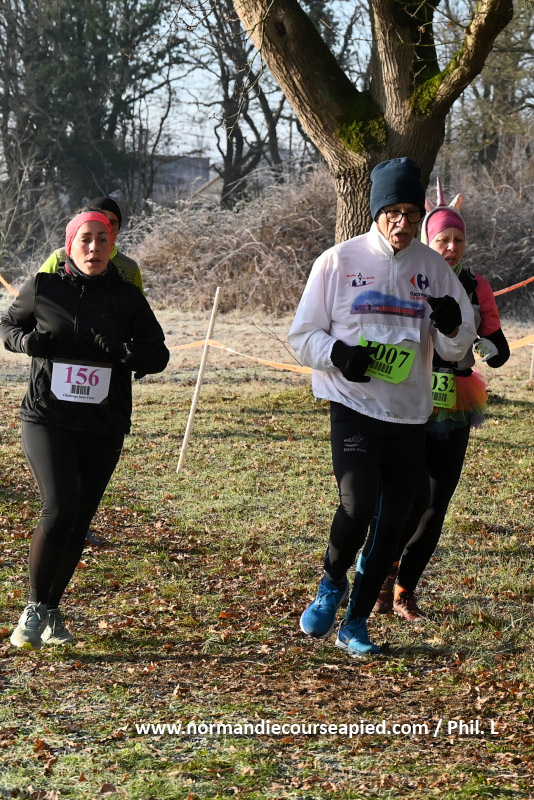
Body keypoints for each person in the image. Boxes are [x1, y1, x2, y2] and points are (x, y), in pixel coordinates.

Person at [288, 157, 477, 657]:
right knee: (358, 503)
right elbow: (302, 335)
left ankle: (355, 623)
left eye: (412, 214)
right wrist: (339, 355)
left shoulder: (434, 269)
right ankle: (332, 582)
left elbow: (458, 346)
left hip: (409, 413)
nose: (402, 223)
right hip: (352, 403)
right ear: (376, 213)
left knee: (392, 524)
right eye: (393, 212)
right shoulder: (338, 261)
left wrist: (452, 326)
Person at [1, 211, 169, 649]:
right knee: (59, 508)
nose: (94, 248)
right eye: (86, 239)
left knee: (79, 520)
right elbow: (8, 326)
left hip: (102, 424)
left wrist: (126, 353)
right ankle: (33, 608)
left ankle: (52, 609)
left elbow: (158, 354)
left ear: (112, 246)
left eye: (103, 239)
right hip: (46, 417)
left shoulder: (128, 298)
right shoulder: (44, 287)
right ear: (70, 245)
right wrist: (26, 342)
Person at [373, 179, 510, 621]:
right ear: (428, 241)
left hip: (454, 399)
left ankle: (404, 592)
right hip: (406, 394)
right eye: (442, 240)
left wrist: (491, 347)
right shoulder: (409, 277)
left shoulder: (475, 285)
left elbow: (498, 346)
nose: (451, 248)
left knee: (435, 503)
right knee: (405, 497)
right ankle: (379, 577)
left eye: (458, 240)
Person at [39, 196, 144, 294]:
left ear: (119, 228)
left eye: (112, 223)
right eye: (100, 218)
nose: (105, 225)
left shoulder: (129, 268)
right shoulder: (60, 257)